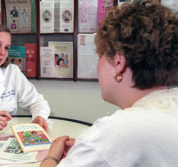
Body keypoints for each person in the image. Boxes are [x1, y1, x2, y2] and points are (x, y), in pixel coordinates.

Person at [41, 0, 178, 166]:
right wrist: (89, 150)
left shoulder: (122, 128)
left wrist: (52, 156)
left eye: (100, 57)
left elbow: (124, 139)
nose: (97, 65)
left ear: (119, 62)